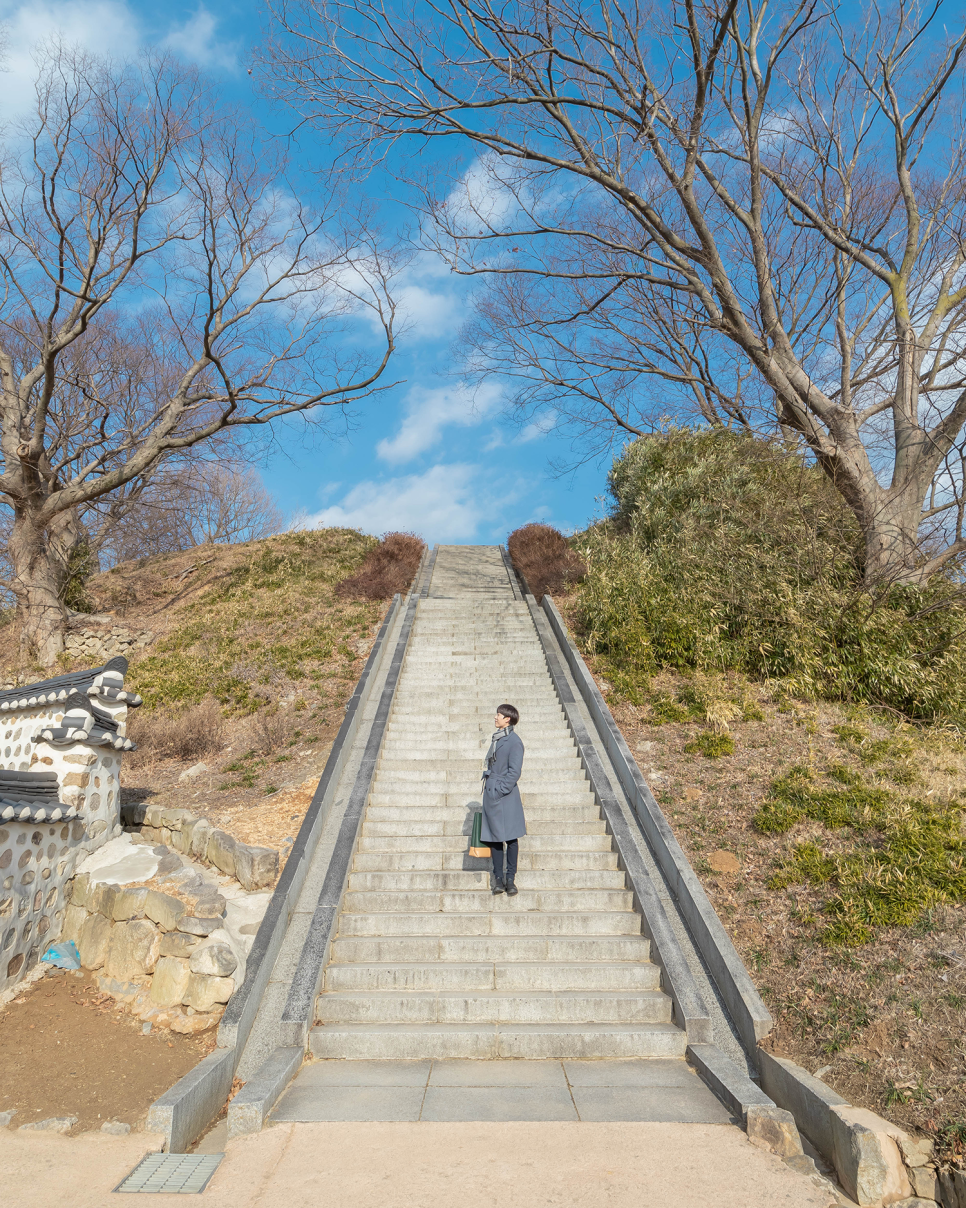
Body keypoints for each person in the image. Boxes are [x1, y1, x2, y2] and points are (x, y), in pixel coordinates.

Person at [481, 703, 526, 896]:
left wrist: (500, 789)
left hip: (504, 794)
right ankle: (498, 878)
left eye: (498, 715)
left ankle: (510, 879)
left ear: (507, 718)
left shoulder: (514, 741)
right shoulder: (497, 739)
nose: (495, 717)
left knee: (510, 837)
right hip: (493, 792)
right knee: (495, 838)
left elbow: (514, 771)